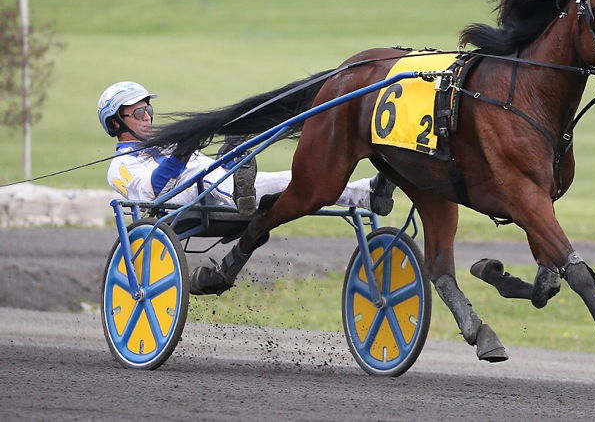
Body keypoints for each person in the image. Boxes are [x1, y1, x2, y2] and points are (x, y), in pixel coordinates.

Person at [98, 81, 396, 295]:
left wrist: (230, 156)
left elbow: (215, 169)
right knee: (209, 177)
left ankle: (368, 195)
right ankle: (242, 196)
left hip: (219, 187)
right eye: (138, 114)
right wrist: (182, 153)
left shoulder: (168, 143)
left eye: (148, 110)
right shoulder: (120, 166)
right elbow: (151, 191)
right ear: (115, 123)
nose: (147, 117)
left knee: (295, 180)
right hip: (179, 203)